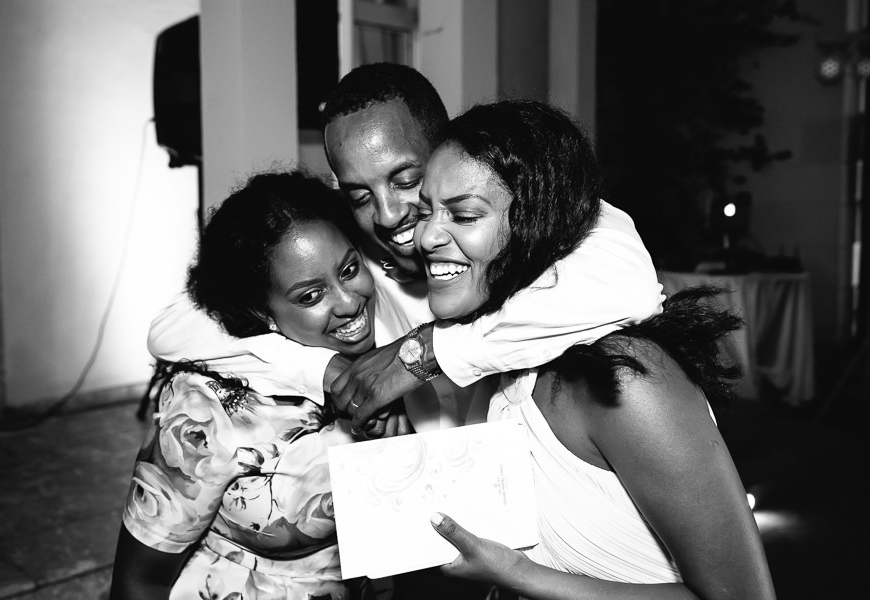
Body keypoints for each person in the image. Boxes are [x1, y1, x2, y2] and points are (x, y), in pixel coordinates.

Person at [149, 63, 664, 437]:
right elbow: (172, 327)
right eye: (359, 194)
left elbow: (630, 285)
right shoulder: (349, 255)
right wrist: (325, 373)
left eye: (406, 179)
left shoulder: (518, 213)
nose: (389, 214)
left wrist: (425, 352)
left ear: (445, 153)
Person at [415, 100, 776, 599]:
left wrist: (517, 574)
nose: (426, 235)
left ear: (536, 223)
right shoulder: (508, 361)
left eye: (464, 214)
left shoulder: (625, 377)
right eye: (426, 211)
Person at [111, 171, 391, 600]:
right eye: (310, 296)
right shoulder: (209, 409)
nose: (349, 301)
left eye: (349, 270)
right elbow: (139, 581)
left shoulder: (391, 361)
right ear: (263, 313)